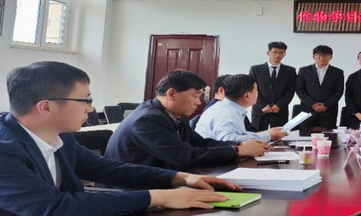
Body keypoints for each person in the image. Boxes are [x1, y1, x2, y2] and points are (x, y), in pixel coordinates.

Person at [0, 61, 238, 216]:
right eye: (85, 101)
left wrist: (179, 178)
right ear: (46, 107)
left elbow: (107, 169)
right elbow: (53, 208)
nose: (90, 109)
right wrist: (158, 197)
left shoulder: (60, 137)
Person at [106, 69, 268, 170]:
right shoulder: (147, 120)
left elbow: (201, 143)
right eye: (195, 96)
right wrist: (237, 151)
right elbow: (183, 157)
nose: (198, 102)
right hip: (132, 189)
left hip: (161, 179)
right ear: (171, 94)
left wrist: (239, 145)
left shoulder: (174, 114)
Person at [196, 74, 287, 143]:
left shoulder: (229, 108)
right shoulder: (226, 113)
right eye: (256, 90)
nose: (258, 93)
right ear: (246, 96)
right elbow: (230, 141)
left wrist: (267, 133)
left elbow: (239, 135)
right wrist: (268, 136)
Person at [294, 45, 345, 131]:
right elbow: (300, 89)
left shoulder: (338, 72)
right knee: (306, 136)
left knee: (329, 136)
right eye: (319, 55)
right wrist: (312, 104)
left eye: (325, 56)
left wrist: (326, 105)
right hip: (308, 110)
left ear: (331, 57)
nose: (322, 58)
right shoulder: (304, 70)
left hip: (328, 111)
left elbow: (338, 91)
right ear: (314, 57)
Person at [248, 41, 297, 131]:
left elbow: (290, 91)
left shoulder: (290, 71)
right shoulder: (256, 69)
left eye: (281, 53)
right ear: (268, 53)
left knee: (280, 136)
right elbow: (252, 89)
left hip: (279, 110)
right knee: (257, 135)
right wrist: (263, 105)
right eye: (275, 52)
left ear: (284, 54)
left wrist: (279, 105)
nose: (277, 55)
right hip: (260, 109)